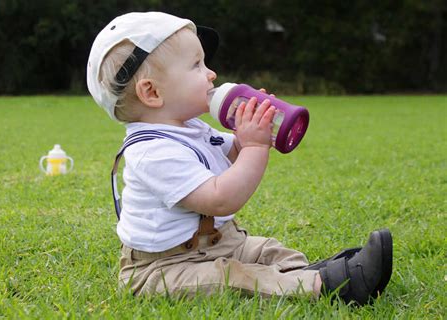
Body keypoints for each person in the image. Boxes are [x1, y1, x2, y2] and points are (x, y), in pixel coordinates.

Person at [86, 12, 393, 305]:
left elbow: (233, 150)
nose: (211, 74)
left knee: (268, 250)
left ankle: (313, 273)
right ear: (151, 93)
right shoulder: (151, 152)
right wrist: (255, 148)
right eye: (196, 65)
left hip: (222, 243)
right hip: (165, 268)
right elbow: (220, 199)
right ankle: (330, 286)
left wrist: (252, 129)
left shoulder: (189, 127)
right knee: (233, 278)